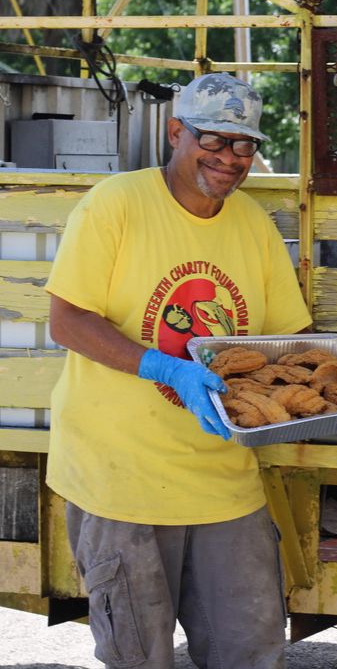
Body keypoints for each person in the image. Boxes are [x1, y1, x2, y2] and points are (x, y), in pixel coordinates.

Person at [46, 73, 313, 668]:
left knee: (251, 653)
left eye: (244, 145)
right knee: (141, 659)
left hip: (225, 485)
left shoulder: (251, 224)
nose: (229, 159)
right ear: (175, 133)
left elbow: (288, 343)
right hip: (120, 482)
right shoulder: (117, 204)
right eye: (214, 141)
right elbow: (66, 321)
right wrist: (167, 369)